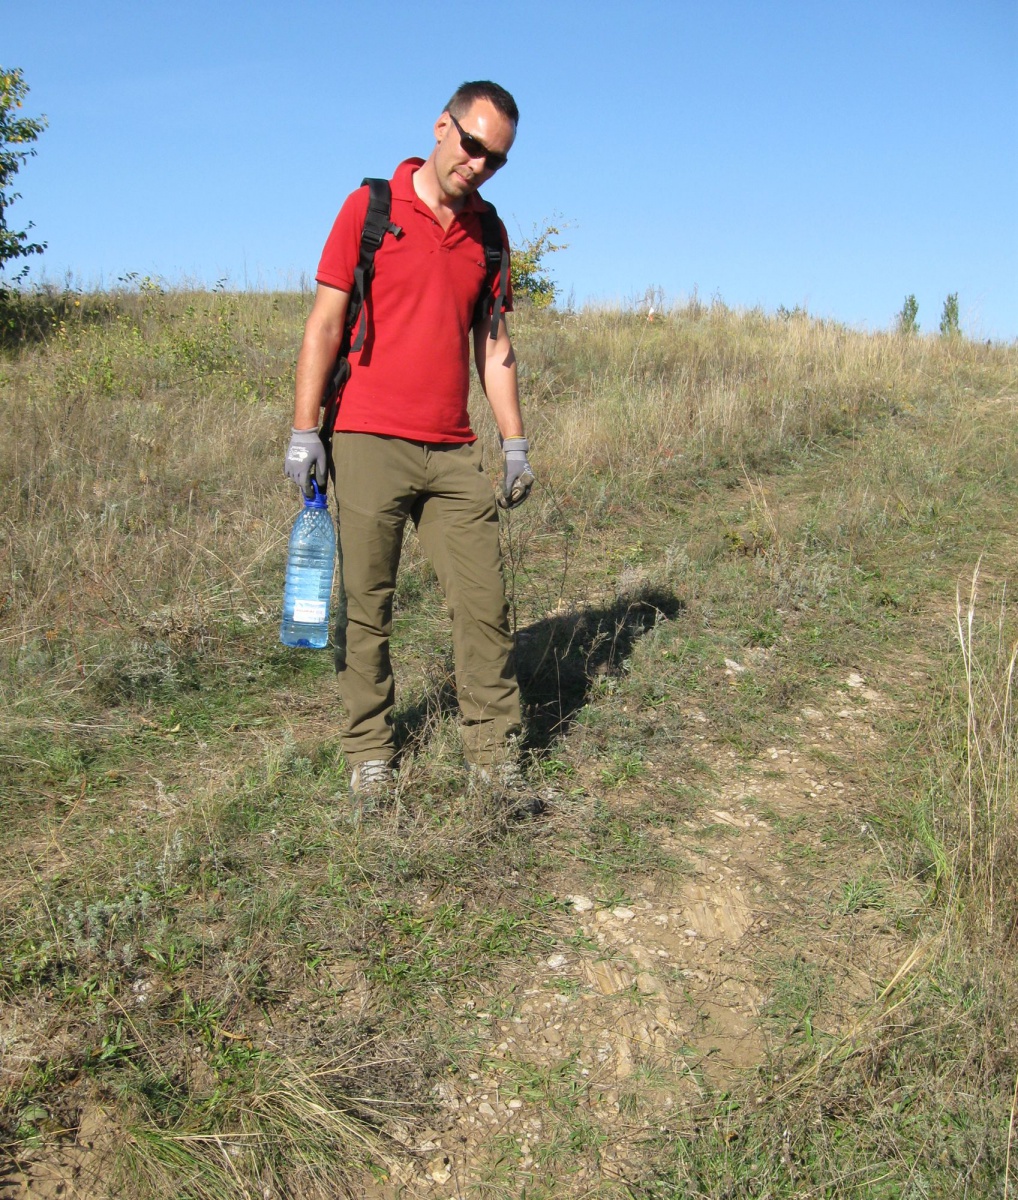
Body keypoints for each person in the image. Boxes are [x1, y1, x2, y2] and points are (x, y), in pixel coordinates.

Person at [283, 80, 535, 809]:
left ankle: (493, 758)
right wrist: (305, 430)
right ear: (441, 126)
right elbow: (325, 324)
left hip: (452, 449)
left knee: (485, 605)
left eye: (496, 159)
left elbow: (494, 346)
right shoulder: (371, 209)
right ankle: (370, 753)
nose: (479, 164)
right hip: (367, 438)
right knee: (368, 605)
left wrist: (514, 443)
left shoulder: (489, 234)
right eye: (473, 144)